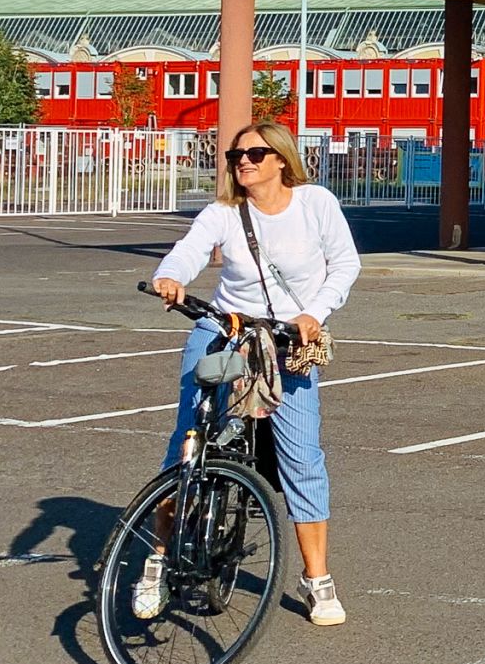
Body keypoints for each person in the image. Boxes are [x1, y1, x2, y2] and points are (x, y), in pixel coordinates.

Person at [148, 120, 363, 627]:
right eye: (235, 156)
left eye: (255, 154)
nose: (243, 162)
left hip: (288, 339)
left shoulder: (315, 204)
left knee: (302, 455)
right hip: (225, 329)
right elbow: (190, 249)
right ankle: (157, 559)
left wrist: (315, 312)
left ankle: (317, 581)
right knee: (188, 439)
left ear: (281, 159)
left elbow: (345, 264)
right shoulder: (224, 212)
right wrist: (171, 277)